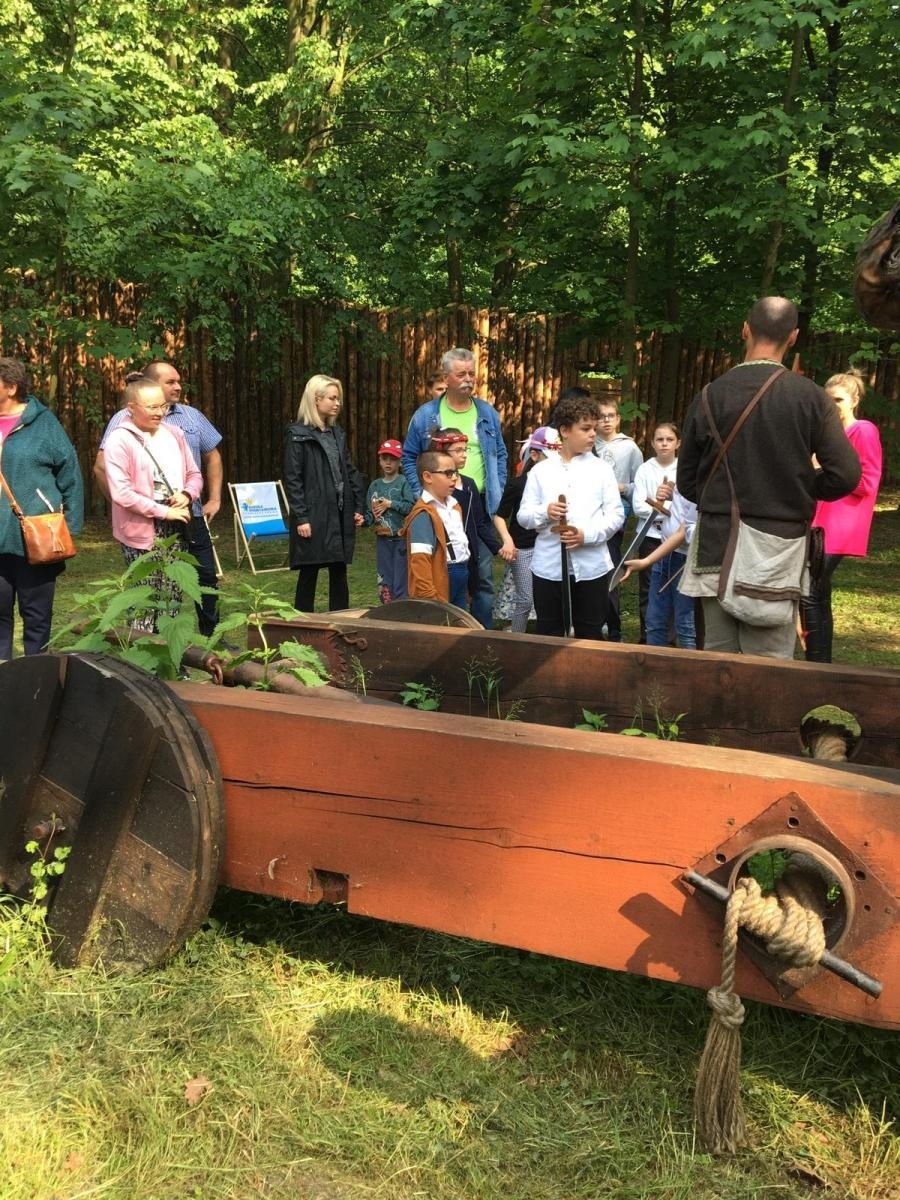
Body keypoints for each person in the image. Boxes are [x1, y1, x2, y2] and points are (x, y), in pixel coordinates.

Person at [677, 297, 861, 658]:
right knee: (771, 672)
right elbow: (846, 475)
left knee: (718, 663)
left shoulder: (709, 395)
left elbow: (687, 482)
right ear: (793, 337)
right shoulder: (811, 398)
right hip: (778, 548)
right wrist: (799, 488)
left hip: (717, 545)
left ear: (745, 330)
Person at [95, 361, 224, 638]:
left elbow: (194, 472)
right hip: (142, 528)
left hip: (179, 521)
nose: (160, 413)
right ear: (132, 408)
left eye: (162, 407)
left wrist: (187, 494)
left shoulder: (175, 432)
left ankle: (171, 662)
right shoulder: (121, 439)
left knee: (173, 594)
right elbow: (121, 492)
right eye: (152, 407)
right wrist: (163, 512)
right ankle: (143, 663)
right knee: (145, 597)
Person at [402, 349, 507, 623]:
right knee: (441, 569)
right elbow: (410, 454)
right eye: (461, 374)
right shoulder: (426, 415)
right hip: (438, 504)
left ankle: (480, 635)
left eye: (472, 373)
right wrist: (421, 493)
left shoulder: (486, 413)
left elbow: (501, 454)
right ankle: (441, 629)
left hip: (476, 501)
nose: (468, 379)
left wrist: (497, 489)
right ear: (446, 377)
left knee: (482, 574)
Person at [518, 395, 623, 639]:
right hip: (549, 567)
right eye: (585, 429)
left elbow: (616, 516)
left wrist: (586, 535)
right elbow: (524, 516)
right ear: (564, 430)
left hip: (591, 566)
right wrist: (545, 512)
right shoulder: (541, 471)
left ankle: (587, 676)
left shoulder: (601, 469)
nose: (591, 435)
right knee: (550, 631)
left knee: (590, 631)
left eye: (593, 429)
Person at [0, 357, 83, 658]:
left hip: (36, 538)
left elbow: (70, 476)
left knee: (36, 618)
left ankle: (36, 682)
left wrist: (69, 530)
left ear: (10, 387)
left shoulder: (44, 424)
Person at [801, 371, 883, 662]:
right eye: (828, 398)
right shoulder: (829, 435)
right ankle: (823, 666)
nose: (832, 404)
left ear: (854, 400)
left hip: (840, 525)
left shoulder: (863, 430)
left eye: (839, 399)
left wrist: (821, 467)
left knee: (808, 593)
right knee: (819, 595)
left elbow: (868, 483)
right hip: (821, 524)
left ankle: (816, 665)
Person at [284, 374, 365, 613]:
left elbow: (349, 471)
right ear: (316, 400)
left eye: (338, 398)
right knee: (309, 571)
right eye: (332, 398)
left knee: (339, 571)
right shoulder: (297, 435)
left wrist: (359, 507)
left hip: (339, 511)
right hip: (314, 513)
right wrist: (301, 517)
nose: (337, 403)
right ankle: (303, 625)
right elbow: (293, 478)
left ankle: (340, 620)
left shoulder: (336, 433)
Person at [427, 427, 514, 626]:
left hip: (470, 552)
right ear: (442, 452)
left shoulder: (469, 484)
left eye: (465, 449)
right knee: (447, 598)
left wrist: (497, 547)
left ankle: (482, 633)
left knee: (480, 587)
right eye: (458, 450)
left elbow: (479, 522)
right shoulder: (436, 488)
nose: (464, 454)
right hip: (445, 556)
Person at [494, 426, 561, 633]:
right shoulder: (518, 484)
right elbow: (499, 516)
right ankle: (518, 637)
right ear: (534, 454)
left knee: (552, 595)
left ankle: (551, 636)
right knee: (525, 598)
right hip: (523, 548)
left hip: (551, 547)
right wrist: (508, 540)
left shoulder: (562, 481)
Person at [622, 487, 698, 650]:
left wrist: (646, 561)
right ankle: (653, 672)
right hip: (665, 554)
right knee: (654, 622)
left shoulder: (700, 477)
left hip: (685, 559)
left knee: (686, 626)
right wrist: (672, 492)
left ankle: (690, 674)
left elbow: (682, 532)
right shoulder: (685, 473)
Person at [593, 398, 643, 641]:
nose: (606, 420)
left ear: (618, 419)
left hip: (616, 512)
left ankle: (614, 628)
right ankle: (592, 620)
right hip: (590, 513)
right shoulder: (589, 444)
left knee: (611, 567)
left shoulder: (630, 448)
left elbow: (641, 486)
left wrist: (623, 487)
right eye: (601, 416)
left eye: (611, 415)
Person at [631, 423, 680, 642]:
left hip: (675, 538)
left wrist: (666, 511)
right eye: (660, 439)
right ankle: (647, 635)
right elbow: (639, 507)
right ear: (652, 443)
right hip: (649, 536)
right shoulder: (645, 469)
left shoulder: (683, 469)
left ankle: (669, 638)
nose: (664, 444)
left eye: (669, 439)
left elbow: (685, 510)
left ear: (678, 443)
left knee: (672, 586)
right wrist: (667, 511)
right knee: (648, 588)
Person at [402, 450, 469, 606]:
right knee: (441, 627)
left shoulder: (454, 506)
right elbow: (419, 561)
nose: (454, 478)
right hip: (440, 577)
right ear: (427, 477)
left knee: (457, 624)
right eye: (448, 473)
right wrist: (430, 598)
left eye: (455, 472)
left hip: (460, 572)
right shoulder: (423, 514)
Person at [365, 438, 415, 604]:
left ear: (400, 462)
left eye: (393, 459)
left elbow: (411, 507)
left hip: (401, 538)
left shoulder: (403, 483)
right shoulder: (375, 486)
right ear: (379, 461)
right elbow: (371, 513)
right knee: (385, 576)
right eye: (385, 459)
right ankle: (386, 608)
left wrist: (390, 504)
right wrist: (363, 520)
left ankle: (402, 609)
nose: (388, 463)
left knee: (401, 575)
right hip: (382, 538)